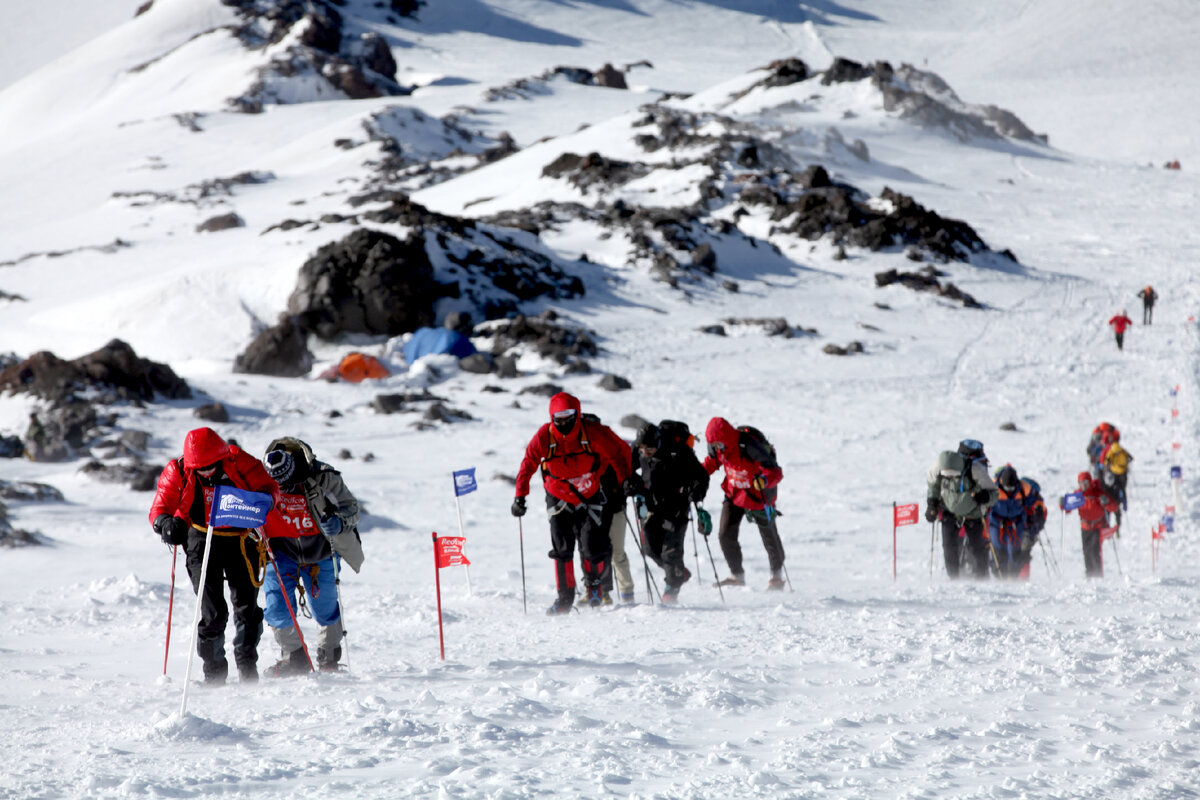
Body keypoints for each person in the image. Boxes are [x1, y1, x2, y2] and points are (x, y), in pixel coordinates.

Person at [148, 427, 279, 684]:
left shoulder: (241, 462)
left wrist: (264, 501)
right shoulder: (177, 471)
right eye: (199, 468)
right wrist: (165, 524)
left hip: (242, 540)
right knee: (213, 612)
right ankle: (215, 673)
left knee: (247, 609)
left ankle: (246, 664)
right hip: (200, 539)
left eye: (210, 466)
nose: (206, 472)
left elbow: (270, 488)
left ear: (221, 456)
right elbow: (160, 506)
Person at [512, 392, 632, 614]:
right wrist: (520, 496)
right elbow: (528, 463)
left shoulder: (593, 432)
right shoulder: (544, 436)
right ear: (551, 417)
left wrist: (626, 479)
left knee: (591, 546)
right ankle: (565, 598)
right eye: (558, 418)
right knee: (562, 549)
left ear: (577, 414)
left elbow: (616, 453)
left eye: (568, 416)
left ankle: (595, 589)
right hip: (558, 497)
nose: (564, 422)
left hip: (590, 495)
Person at [260, 437, 364, 675]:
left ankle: (329, 658)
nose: (282, 489)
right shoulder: (259, 477)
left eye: (286, 483)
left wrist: (339, 522)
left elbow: (352, 508)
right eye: (277, 485)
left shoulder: (324, 477)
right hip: (280, 554)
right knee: (277, 608)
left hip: (320, 552)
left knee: (324, 608)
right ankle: (295, 658)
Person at [625, 421, 709, 603]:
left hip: (676, 506)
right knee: (650, 549)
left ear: (658, 443)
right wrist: (631, 484)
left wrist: (697, 492)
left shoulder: (678, 450)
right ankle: (677, 572)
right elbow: (627, 470)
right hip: (651, 506)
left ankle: (671, 588)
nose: (645, 452)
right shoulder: (637, 448)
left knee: (670, 552)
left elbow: (701, 476)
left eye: (650, 449)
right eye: (642, 449)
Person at [702, 417, 786, 590]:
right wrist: (696, 476)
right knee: (725, 534)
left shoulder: (748, 445)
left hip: (757, 495)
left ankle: (776, 577)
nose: (717, 448)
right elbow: (711, 463)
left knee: (769, 536)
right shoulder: (720, 449)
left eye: (719, 443)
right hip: (734, 494)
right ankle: (737, 576)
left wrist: (764, 480)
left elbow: (774, 471)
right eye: (714, 444)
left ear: (726, 438)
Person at [579, 413, 635, 606]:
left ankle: (626, 593)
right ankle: (600, 591)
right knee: (595, 551)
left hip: (615, 508)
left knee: (616, 552)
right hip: (593, 511)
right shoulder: (582, 456)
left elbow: (626, 474)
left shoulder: (612, 450)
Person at [925, 439, 998, 579]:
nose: (950, 477)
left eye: (952, 474)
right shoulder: (937, 468)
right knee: (949, 548)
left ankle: (982, 579)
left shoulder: (975, 469)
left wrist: (985, 497)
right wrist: (932, 504)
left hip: (973, 515)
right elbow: (933, 486)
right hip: (949, 512)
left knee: (978, 549)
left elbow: (994, 494)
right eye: (947, 475)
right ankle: (954, 580)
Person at [986, 465, 1046, 579]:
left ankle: (1013, 578)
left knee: (1015, 553)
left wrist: (1038, 509)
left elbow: (1036, 499)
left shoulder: (1023, 488)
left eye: (1012, 488)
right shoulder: (992, 487)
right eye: (1007, 488)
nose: (1010, 491)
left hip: (1016, 523)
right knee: (998, 551)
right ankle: (999, 578)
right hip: (997, 524)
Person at [1066, 471, 1118, 577]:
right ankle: (1089, 574)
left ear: (1089, 482)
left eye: (1085, 482)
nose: (1084, 485)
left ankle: (1097, 574)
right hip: (1085, 527)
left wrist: (1107, 502)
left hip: (1097, 527)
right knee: (1087, 552)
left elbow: (1114, 507)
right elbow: (1067, 509)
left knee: (1094, 550)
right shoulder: (1078, 495)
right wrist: (1063, 504)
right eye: (1081, 483)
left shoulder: (1097, 493)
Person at [1100, 437, 1133, 524]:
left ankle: (1111, 525)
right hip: (1120, 472)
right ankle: (1114, 525)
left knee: (1120, 488)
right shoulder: (1121, 451)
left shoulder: (1113, 452)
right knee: (1121, 488)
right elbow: (1130, 458)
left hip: (1116, 472)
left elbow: (1106, 462)